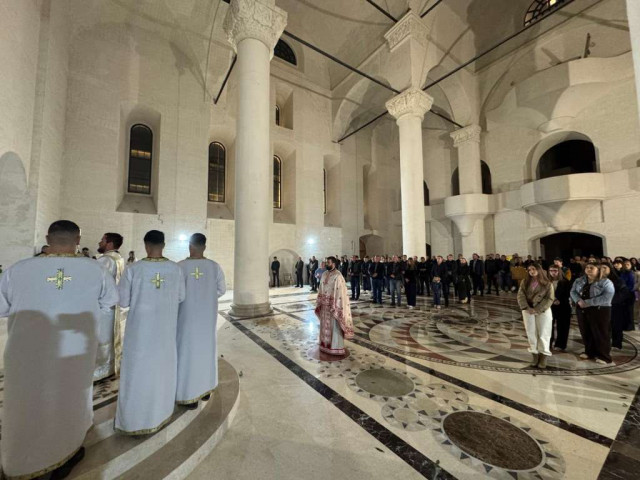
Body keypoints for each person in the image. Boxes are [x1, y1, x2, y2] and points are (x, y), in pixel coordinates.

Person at [0, 220, 118, 479]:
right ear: (78, 240)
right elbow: (110, 301)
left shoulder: (18, 269)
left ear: (47, 238)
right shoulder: (95, 270)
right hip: (73, 354)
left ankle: (19, 461)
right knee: (69, 402)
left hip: (26, 354)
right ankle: (64, 453)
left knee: (26, 404)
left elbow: (2, 308)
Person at [115, 230, 186, 435]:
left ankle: (134, 420)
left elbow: (123, 301)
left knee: (137, 373)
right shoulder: (175, 269)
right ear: (163, 245)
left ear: (145, 245)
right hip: (165, 331)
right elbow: (181, 297)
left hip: (140, 333)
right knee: (162, 370)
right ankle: (161, 412)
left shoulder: (134, 269)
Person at [176, 233, 226, 409]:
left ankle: (189, 396)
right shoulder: (214, 266)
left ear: (190, 246)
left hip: (186, 318)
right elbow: (222, 289)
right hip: (207, 318)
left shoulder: (180, 267)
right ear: (204, 247)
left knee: (187, 353)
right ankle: (205, 389)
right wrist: (207, 297)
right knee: (206, 351)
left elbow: (177, 294)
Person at [95, 232, 127, 380]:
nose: (99, 242)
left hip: (105, 307)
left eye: (102, 240)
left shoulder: (105, 260)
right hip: (116, 307)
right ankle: (111, 367)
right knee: (111, 338)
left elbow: (97, 284)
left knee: (102, 338)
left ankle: (100, 370)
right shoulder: (119, 259)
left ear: (109, 243)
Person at [570, 263, 615, 365]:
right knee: (586, 331)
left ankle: (604, 356)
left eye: (592, 268)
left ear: (598, 270)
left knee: (601, 333)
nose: (588, 269)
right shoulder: (579, 280)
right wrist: (578, 301)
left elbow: (607, 297)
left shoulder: (606, 282)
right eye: (587, 267)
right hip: (582, 308)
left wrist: (588, 303)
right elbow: (573, 292)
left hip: (600, 309)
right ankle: (589, 352)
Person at [517, 263, 555, 369]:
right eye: (529, 270)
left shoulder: (547, 283)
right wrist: (527, 307)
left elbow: (549, 298)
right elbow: (520, 295)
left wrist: (537, 309)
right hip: (528, 310)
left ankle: (543, 356)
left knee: (543, 333)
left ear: (539, 270)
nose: (531, 271)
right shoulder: (525, 282)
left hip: (543, 310)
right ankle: (534, 354)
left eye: (533, 269)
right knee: (531, 332)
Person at [315, 256, 354, 355]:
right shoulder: (324, 274)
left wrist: (334, 304)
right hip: (324, 306)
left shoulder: (338, 276)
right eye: (326, 262)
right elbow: (321, 288)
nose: (326, 264)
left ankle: (335, 348)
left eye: (328, 262)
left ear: (333, 264)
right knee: (324, 326)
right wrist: (320, 300)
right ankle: (324, 345)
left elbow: (341, 293)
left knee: (334, 328)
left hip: (333, 307)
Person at [547, 265, 572, 351]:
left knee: (562, 326)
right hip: (549, 305)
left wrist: (558, 300)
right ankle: (548, 343)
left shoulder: (565, 281)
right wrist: (552, 300)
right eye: (551, 271)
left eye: (555, 271)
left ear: (559, 271)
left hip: (563, 306)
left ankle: (560, 344)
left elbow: (568, 294)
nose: (553, 273)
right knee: (548, 325)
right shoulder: (547, 281)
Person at [605, 264, 629, 350]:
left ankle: (616, 344)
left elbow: (624, 293)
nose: (602, 270)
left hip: (615, 306)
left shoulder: (617, 280)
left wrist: (611, 300)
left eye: (604, 268)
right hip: (601, 307)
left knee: (616, 326)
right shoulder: (597, 280)